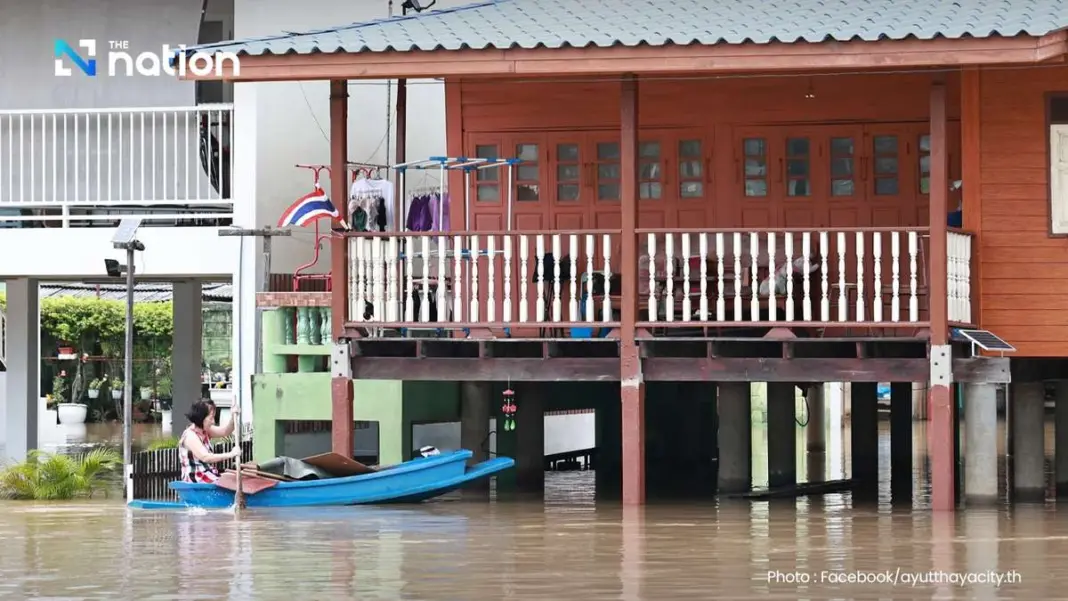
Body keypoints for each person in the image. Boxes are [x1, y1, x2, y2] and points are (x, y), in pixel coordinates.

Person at [177, 399, 242, 483]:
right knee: (228, 482)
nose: (213, 422)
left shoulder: (205, 430)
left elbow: (226, 431)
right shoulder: (190, 436)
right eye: (211, 418)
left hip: (208, 473)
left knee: (234, 477)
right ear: (201, 418)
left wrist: (233, 417)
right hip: (196, 479)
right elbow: (206, 457)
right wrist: (231, 454)